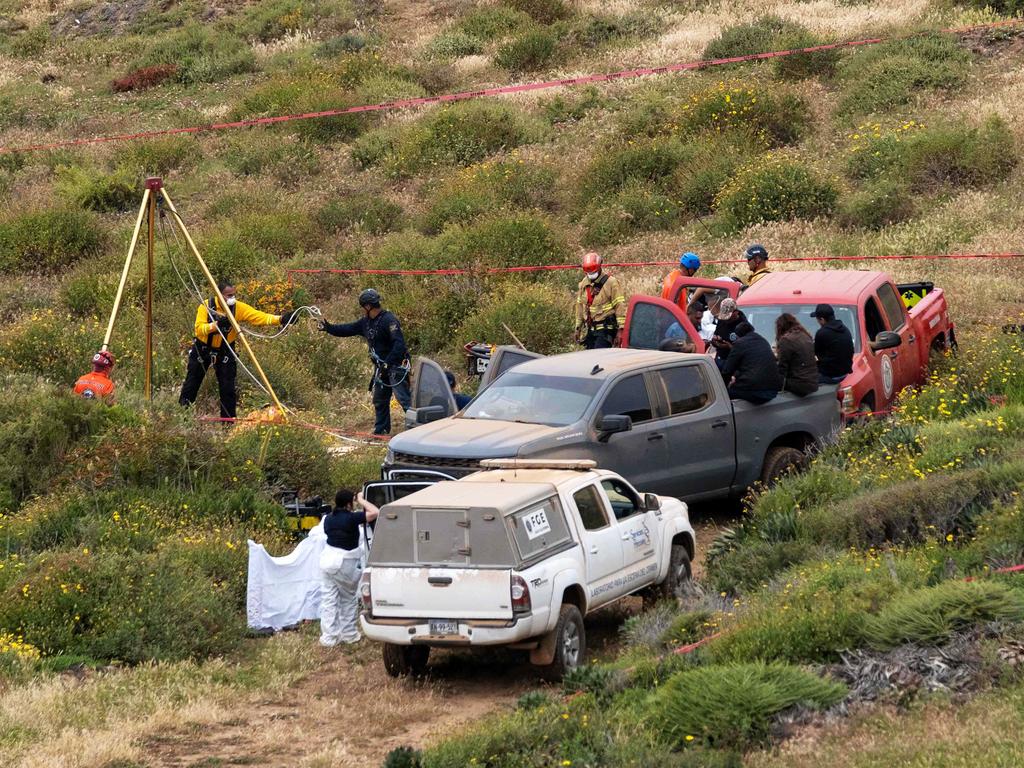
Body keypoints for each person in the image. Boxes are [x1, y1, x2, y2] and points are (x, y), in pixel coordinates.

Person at [179, 282, 298, 419]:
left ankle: (228, 424)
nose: (232, 298)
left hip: (225, 350)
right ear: (219, 295)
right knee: (191, 384)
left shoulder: (237, 308)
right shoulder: (206, 306)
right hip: (202, 349)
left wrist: (282, 319)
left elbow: (258, 316)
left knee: (228, 389)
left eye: (234, 294)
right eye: (229, 295)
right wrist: (216, 325)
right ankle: (183, 418)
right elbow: (199, 329)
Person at [319, 289, 411, 435]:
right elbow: (347, 329)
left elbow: (399, 344)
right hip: (382, 368)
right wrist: (329, 328)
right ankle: (381, 432)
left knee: (404, 399)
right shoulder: (366, 322)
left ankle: (418, 429)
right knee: (379, 400)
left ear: (368, 306)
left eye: (363, 307)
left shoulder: (389, 320)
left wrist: (388, 363)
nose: (362, 310)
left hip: (396, 366)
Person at [319, 489, 380, 647]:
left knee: (328, 600)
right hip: (344, 562)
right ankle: (349, 634)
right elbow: (376, 512)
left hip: (326, 561)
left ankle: (329, 638)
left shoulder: (327, 519)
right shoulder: (352, 518)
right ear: (349, 503)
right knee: (347, 599)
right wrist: (361, 499)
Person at [719, 322, 783, 404]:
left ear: (738, 335)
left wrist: (723, 387)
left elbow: (727, 371)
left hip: (754, 392)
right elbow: (753, 364)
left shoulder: (739, 343)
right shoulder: (763, 341)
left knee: (723, 395)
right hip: (772, 391)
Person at [574, 251, 626, 349]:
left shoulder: (611, 283)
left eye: (593, 272)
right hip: (591, 330)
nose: (591, 274)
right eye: (588, 272)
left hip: (606, 330)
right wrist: (578, 328)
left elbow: (620, 305)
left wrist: (621, 330)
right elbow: (580, 306)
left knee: (600, 360)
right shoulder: (583, 284)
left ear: (599, 267)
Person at [775, 313, 819, 396]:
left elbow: (782, 368)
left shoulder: (786, 340)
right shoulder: (805, 335)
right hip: (813, 382)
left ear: (780, 327)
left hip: (799, 385)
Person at [810, 303, 854, 384]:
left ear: (822, 320)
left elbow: (813, 352)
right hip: (845, 372)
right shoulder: (844, 328)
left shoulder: (822, 333)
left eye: (817, 319)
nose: (817, 321)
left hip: (831, 376)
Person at [709, 298, 748, 366]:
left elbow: (744, 350)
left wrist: (729, 346)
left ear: (736, 312)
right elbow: (717, 333)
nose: (726, 321)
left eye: (728, 318)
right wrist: (715, 341)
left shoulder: (744, 326)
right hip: (720, 357)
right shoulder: (722, 320)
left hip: (735, 362)